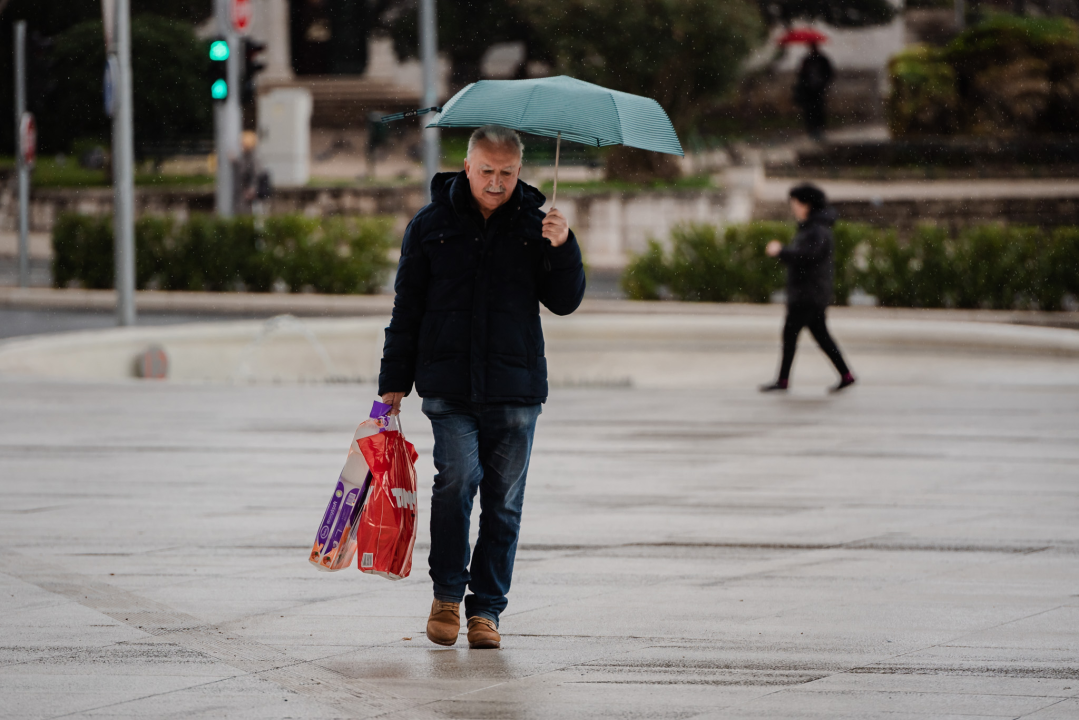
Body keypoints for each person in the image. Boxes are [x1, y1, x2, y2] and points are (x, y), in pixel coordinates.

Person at [378, 125, 586, 649]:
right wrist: (393, 382)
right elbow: (408, 307)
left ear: (520, 171)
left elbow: (564, 301)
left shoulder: (539, 226)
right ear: (467, 166)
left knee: (504, 504)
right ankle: (447, 595)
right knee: (456, 483)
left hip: (516, 390)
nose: (497, 183)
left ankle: (486, 610)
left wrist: (563, 247)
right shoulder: (429, 225)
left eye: (508, 173)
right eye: (487, 171)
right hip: (449, 386)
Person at [761, 183, 855, 393]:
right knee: (820, 336)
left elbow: (806, 257)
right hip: (810, 293)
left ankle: (783, 381)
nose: (793, 207)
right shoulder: (813, 227)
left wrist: (780, 252)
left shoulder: (817, 230)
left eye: (795, 203)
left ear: (806, 205)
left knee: (790, 334)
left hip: (808, 294)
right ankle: (846, 375)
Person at [794, 43, 834, 141]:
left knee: (818, 109)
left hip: (819, 89)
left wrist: (823, 83)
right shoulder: (807, 61)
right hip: (808, 90)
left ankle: (819, 129)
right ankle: (811, 129)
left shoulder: (822, 60)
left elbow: (829, 73)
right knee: (810, 110)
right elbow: (801, 75)